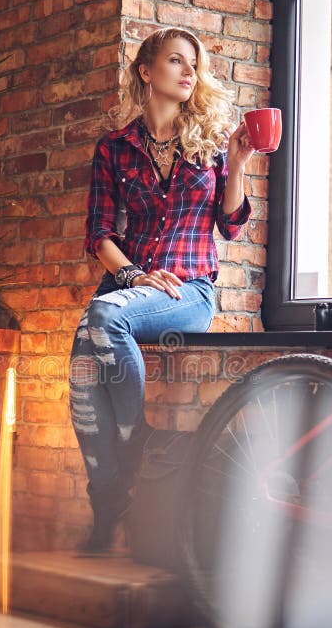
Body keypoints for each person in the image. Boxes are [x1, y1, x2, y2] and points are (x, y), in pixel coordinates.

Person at [69, 27, 255, 554]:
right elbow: (99, 233)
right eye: (177, 60)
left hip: (189, 290)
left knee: (102, 318)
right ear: (147, 72)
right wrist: (132, 275)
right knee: (82, 376)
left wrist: (238, 165)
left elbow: (232, 225)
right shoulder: (115, 148)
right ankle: (109, 507)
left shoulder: (213, 143)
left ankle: (135, 442)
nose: (189, 71)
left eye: (194, 63)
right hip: (130, 284)